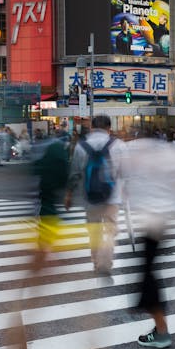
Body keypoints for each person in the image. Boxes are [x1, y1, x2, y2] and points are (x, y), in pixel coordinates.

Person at [0, 134, 71, 349]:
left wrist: (42, 251)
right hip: (46, 234)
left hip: (42, 236)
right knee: (24, 300)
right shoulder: (52, 192)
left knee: (16, 299)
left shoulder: (44, 197)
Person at [122, 133, 175, 348]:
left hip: (152, 221)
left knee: (148, 276)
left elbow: (121, 178)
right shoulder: (168, 153)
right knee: (150, 272)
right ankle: (159, 325)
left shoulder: (136, 149)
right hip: (161, 219)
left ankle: (161, 330)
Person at [65, 115, 126, 277]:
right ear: (109, 128)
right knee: (110, 231)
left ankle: (96, 261)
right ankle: (106, 262)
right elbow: (126, 171)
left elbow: (75, 173)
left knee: (94, 231)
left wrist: (69, 194)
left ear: (92, 127)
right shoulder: (118, 145)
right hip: (112, 197)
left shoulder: (81, 146)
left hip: (90, 197)